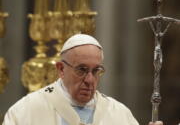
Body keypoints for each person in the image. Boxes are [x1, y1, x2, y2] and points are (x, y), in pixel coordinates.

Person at [3, 34, 163, 125]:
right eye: (82, 70)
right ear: (61, 69)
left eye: (96, 71)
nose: (90, 79)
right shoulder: (26, 111)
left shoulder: (118, 114)